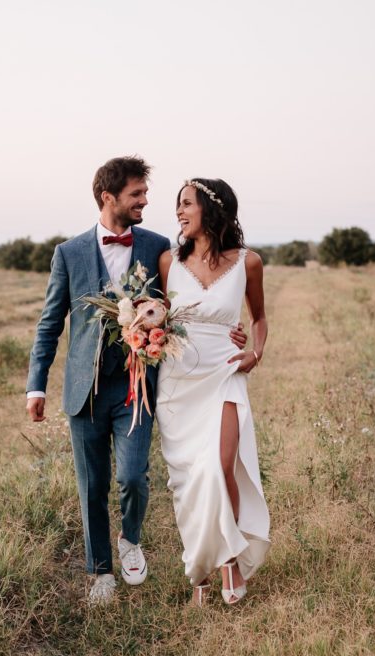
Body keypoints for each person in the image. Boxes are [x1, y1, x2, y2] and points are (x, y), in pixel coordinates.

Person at [26, 157, 248, 605]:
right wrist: (37, 385)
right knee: (92, 484)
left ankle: (131, 538)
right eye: (137, 194)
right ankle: (100, 573)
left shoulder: (156, 246)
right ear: (109, 197)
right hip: (84, 391)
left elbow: (183, 303)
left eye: (146, 194)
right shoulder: (68, 253)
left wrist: (228, 331)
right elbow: (50, 323)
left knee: (132, 476)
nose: (146, 201)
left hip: (138, 385)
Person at [156, 177, 270, 606]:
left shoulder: (249, 262)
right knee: (189, 479)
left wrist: (255, 353)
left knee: (221, 465)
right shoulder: (168, 261)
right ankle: (201, 570)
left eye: (186, 204)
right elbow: (157, 316)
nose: (180, 212)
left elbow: (258, 319)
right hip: (178, 382)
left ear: (212, 208)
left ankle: (231, 561)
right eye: (178, 206)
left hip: (225, 371)